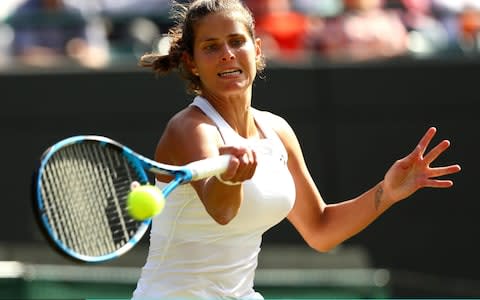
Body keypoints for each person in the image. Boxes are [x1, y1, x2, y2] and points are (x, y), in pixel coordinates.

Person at [131, 0, 461, 299]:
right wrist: (230, 180)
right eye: (211, 46)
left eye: (236, 41)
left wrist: (386, 192)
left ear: (257, 50)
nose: (227, 54)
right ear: (191, 62)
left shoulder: (276, 131)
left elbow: (320, 229)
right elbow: (222, 213)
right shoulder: (190, 128)